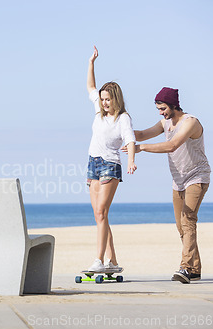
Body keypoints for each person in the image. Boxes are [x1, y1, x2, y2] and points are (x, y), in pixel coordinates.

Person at [124, 87, 211, 283]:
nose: (161, 112)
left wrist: (142, 149)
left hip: (197, 176)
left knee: (188, 220)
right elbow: (143, 134)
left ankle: (186, 268)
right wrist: (122, 130)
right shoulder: (165, 122)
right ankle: (195, 269)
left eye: (163, 108)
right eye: (159, 109)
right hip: (178, 179)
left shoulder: (190, 122)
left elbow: (173, 145)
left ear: (173, 105)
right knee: (181, 226)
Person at [85, 46, 137, 272]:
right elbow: (90, 87)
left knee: (101, 212)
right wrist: (91, 63)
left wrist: (131, 161)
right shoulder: (98, 110)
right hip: (92, 164)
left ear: (116, 99)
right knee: (100, 216)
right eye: (102, 99)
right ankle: (113, 262)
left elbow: (130, 140)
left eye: (108, 99)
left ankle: (98, 260)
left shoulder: (123, 118)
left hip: (110, 165)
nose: (104, 102)